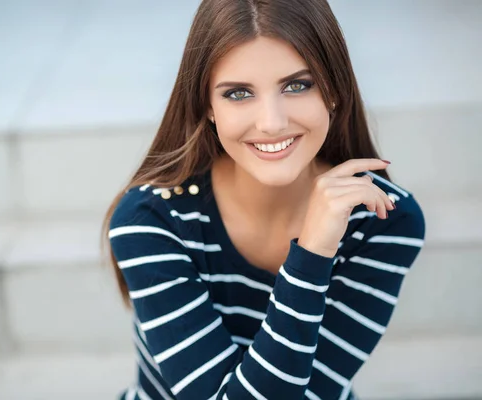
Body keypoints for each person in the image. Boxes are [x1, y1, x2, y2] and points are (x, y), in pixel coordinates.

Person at [102, 0, 426, 399]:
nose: (271, 122)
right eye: (239, 93)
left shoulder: (382, 217)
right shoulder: (152, 218)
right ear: (208, 106)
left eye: (297, 85)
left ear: (334, 90)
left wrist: (319, 251)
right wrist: (311, 255)